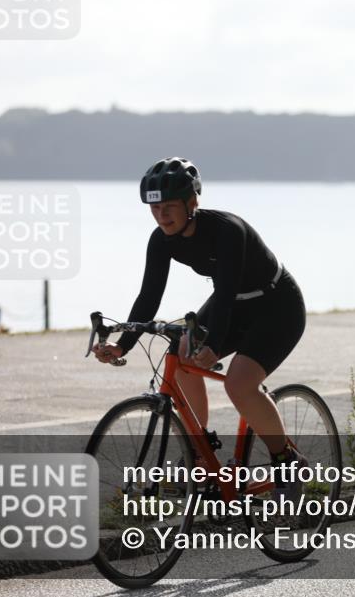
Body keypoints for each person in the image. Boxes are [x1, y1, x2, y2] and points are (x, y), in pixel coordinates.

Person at [91, 157, 307, 498]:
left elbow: (223, 295)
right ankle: (202, 456)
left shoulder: (227, 231)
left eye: (170, 207)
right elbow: (149, 297)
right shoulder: (161, 240)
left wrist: (211, 344)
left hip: (276, 306)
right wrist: (123, 345)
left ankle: (287, 460)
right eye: (155, 207)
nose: (162, 215)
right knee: (180, 359)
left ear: (193, 202)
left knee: (239, 383)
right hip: (234, 303)